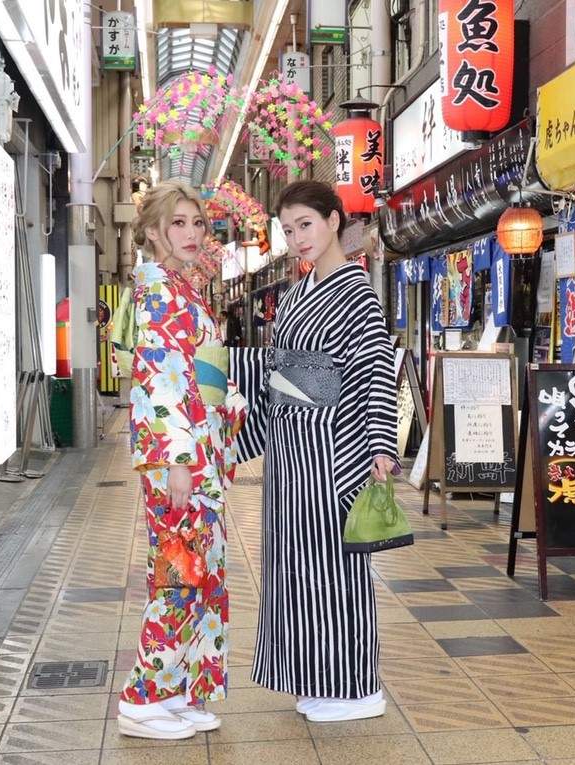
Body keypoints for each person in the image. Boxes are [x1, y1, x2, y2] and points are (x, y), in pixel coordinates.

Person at [231, 181, 398, 723]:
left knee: (335, 566)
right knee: (296, 567)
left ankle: (356, 688)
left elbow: (374, 373)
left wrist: (381, 447)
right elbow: (281, 367)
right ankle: (316, 677)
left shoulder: (358, 292)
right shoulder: (300, 291)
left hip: (336, 445)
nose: (297, 238)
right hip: (290, 450)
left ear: (333, 221)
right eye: (288, 230)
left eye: (306, 224)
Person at [118, 181, 246, 740]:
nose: (192, 233)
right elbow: (160, 382)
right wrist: (175, 457)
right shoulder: (156, 291)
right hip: (181, 457)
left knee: (203, 574)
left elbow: (204, 375)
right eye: (178, 223)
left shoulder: (182, 288)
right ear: (152, 232)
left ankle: (183, 689)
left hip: (198, 452)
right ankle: (144, 697)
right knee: (179, 575)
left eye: (198, 222)